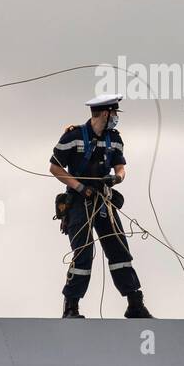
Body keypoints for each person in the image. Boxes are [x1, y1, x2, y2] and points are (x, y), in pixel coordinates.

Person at [49, 93, 153, 319]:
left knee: (119, 250)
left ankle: (134, 303)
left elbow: (120, 167)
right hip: (79, 202)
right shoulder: (73, 137)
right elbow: (55, 168)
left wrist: (117, 178)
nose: (116, 118)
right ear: (105, 113)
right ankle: (71, 307)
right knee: (84, 253)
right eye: (114, 113)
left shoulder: (114, 138)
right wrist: (79, 187)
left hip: (103, 200)